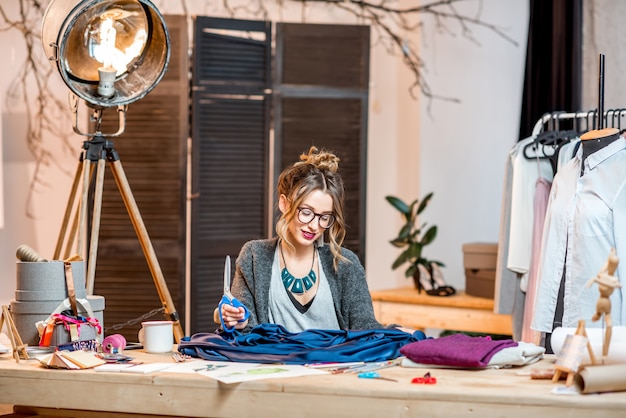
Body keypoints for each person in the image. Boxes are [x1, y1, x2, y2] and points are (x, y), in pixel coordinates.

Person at [214, 146, 405, 334]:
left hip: (332, 365)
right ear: (284, 203)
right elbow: (245, 330)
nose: (314, 226)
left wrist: (401, 333)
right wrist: (235, 320)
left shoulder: (345, 263)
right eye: (306, 213)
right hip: (279, 364)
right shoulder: (255, 256)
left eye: (324, 217)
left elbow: (366, 329)